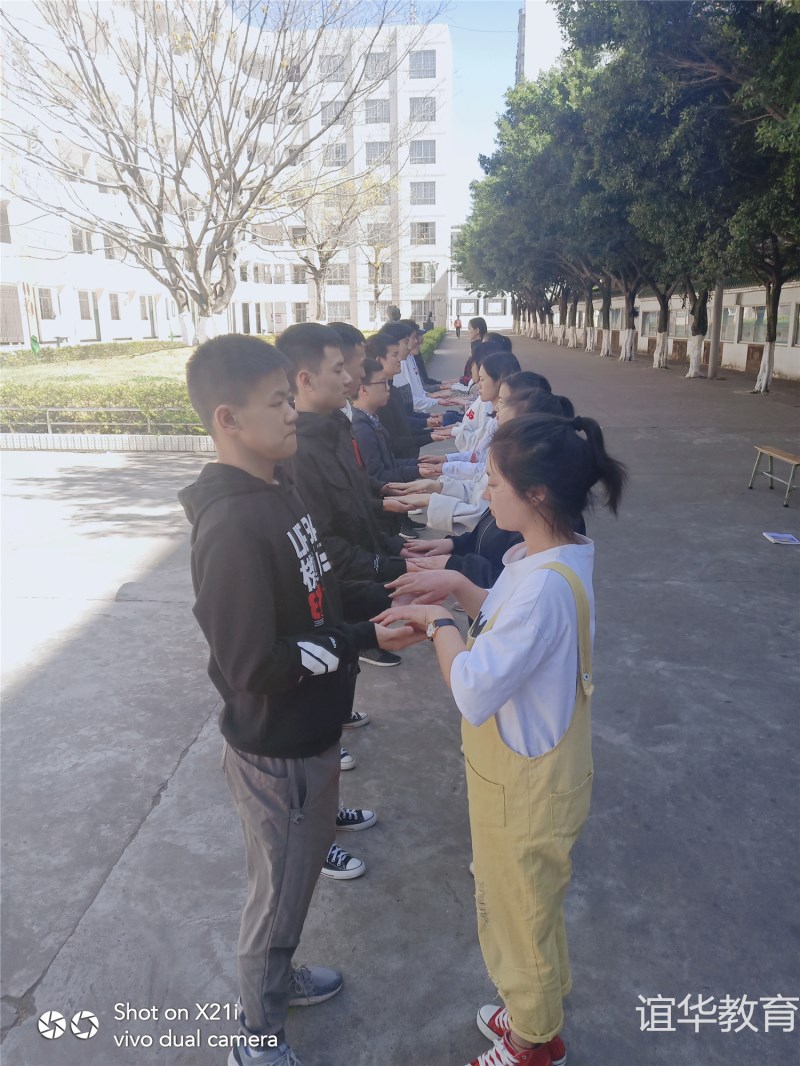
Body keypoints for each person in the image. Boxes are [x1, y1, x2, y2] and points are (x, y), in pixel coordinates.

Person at [178, 335, 413, 1066]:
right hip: (277, 750)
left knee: (294, 887)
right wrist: (355, 641)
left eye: (290, 397)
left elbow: (318, 594)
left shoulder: (279, 490)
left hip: (311, 732)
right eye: (278, 402)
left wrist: (379, 606)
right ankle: (257, 1037)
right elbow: (253, 664)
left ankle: (277, 981)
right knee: (275, 898)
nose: (291, 413)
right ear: (228, 419)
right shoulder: (230, 527)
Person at [374, 412, 626, 1066]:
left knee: (521, 917)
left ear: (535, 493)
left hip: (527, 791)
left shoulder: (542, 587)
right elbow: (508, 625)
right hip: (524, 778)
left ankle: (533, 1043)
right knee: (523, 905)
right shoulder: (549, 557)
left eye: (494, 481)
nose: (486, 494)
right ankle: (531, 1013)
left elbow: (474, 687)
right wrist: (461, 588)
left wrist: (438, 624)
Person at [278, 323, 410, 669]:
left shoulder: (336, 427)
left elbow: (354, 505)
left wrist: (395, 547)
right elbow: (325, 544)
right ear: (306, 381)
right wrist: (394, 565)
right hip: (343, 590)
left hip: (363, 574)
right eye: (339, 370)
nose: (352, 378)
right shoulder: (299, 452)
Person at [352, 358, 421, 485]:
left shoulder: (371, 419)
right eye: (383, 382)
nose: (388, 388)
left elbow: (390, 463)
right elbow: (379, 477)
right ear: (364, 390)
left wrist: (420, 464)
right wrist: (418, 471)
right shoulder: (361, 429)